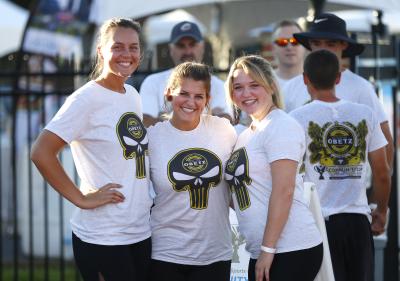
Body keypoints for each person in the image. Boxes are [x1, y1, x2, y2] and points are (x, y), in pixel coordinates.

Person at [30, 18, 153, 281]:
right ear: (101, 51)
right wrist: (81, 198)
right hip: (103, 237)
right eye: (117, 46)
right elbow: (41, 152)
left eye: (133, 47)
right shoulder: (85, 99)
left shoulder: (131, 94)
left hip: (140, 231)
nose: (127, 54)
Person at [290, 49, 391, 281]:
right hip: (357, 220)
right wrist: (381, 212)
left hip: (318, 221)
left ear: (305, 78)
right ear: (338, 78)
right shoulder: (365, 114)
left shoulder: (296, 118)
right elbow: (382, 173)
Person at [225, 54, 323, 281]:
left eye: (254, 85)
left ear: (270, 85)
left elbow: (284, 190)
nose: (246, 93)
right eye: (238, 87)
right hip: (261, 250)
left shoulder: (281, 126)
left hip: (290, 249)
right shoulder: (247, 133)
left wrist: (267, 250)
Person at [147, 62, 236, 281]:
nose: (190, 102)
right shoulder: (152, 137)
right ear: (169, 94)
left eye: (199, 96)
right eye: (183, 93)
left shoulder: (223, 130)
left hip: (215, 254)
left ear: (208, 100)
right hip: (165, 253)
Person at [283, 13, 394, 170]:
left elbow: (385, 141)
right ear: (309, 45)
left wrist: (383, 186)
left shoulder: (361, 87)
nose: (322, 49)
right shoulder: (290, 88)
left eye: (330, 43)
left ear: (344, 45)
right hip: (303, 190)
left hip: (354, 189)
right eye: (316, 43)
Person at [140, 20, 232, 127]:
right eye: (181, 45)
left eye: (192, 45)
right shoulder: (152, 82)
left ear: (202, 47)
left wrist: (165, 119)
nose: (188, 51)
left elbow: (226, 121)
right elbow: (146, 121)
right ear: (171, 49)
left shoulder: (218, 85)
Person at [271, 20, 306, 89]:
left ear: (304, 45)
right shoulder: (265, 83)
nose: (289, 47)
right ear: (273, 48)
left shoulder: (318, 81)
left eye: (295, 41)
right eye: (282, 42)